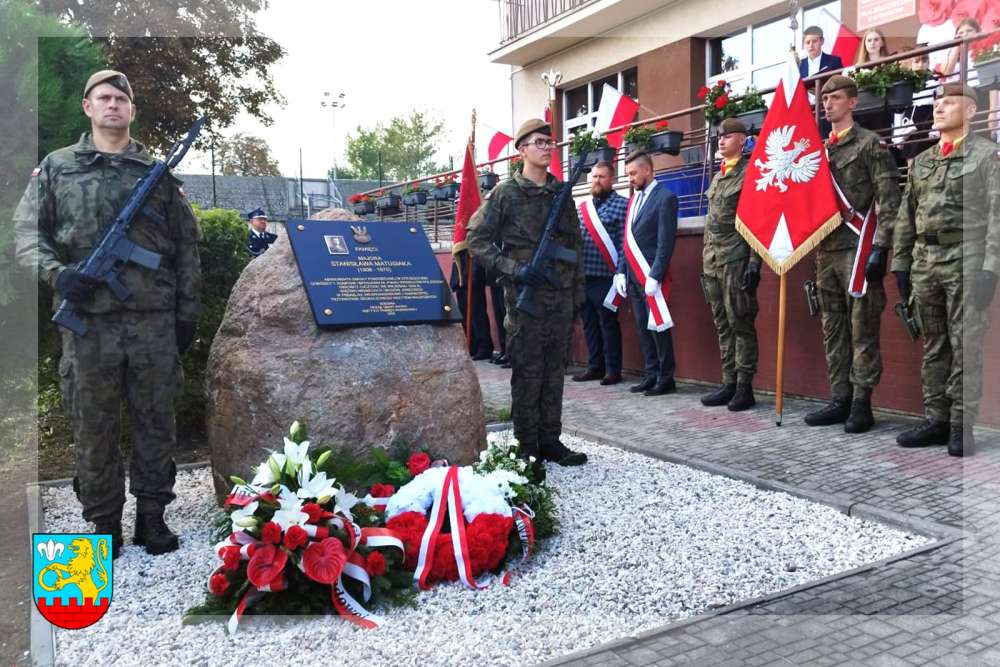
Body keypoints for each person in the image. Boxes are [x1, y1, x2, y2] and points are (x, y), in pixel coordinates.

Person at [13, 70, 202, 557]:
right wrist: (58, 275)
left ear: (131, 110)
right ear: (88, 106)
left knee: (156, 421)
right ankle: (103, 522)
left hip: (152, 322)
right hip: (89, 324)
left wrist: (187, 315)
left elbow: (186, 248)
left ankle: (153, 517)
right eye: (104, 97)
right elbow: (27, 234)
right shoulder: (56, 167)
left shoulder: (156, 174)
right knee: (93, 425)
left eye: (121, 98)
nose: (113, 104)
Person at [466, 118, 588, 474]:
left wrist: (577, 295)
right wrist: (515, 269)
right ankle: (526, 447)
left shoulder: (560, 193)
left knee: (554, 371)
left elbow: (575, 246)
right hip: (526, 300)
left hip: (560, 297)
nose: (547, 148)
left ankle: (550, 440)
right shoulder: (506, 193)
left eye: (550, 143)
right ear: (521, 150)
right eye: (539, 143)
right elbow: (476, 240)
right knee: (527, 372)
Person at [891, 83, 999, 457]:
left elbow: (996, 215)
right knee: (934, 342)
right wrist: (901, 264)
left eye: (949, 103)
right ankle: (936, 419)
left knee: (965, 343)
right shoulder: (922, 161)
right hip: (925, 260)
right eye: (937, 103)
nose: (939, 109)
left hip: (966, 255)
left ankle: (960, 425)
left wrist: (991, 268)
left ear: (970, 111)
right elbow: (906, 216)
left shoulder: (986, 155)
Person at [802, 75, 902, 434]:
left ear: (853, 103)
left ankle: (861, 403)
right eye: (824, 99)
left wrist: (881, 248)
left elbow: (889, 200)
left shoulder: (870, 144)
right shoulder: (819, 151)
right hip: (827, 251)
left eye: (836, 98)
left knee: (862, 329)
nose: (828, 104)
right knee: (833, 328)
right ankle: (839, 398)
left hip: (859, 250)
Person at [700, 118, 760, 411]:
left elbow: (756, 221)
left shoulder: (750, 174)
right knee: (722, 325)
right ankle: (729, 382)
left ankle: (745, 387)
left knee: (740, 324)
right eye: (719, 137)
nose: (721, 141)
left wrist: (754, 263)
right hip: (713, 262)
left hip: (736, 260)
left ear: (742, 140)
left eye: (727, 136)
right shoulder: (718, 176)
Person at [612, 152, 678, 397]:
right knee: (642, 327)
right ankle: (651, 374)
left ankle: (666, 377)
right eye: (628, 174)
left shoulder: (665, 198)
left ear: (647, 170)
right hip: (632, 275)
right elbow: (626, 240)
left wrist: (656, 275)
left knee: (659, 327)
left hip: (650, 277)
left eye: (632, 173)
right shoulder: (633, 200)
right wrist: (620, 271)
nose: (629, 178)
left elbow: (665, 242)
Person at [572, 160, 628, 386]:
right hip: (584, 276)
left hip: (608, 277)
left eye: (602, 177)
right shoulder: (582, 208)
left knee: (608, 323)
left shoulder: (623, 205)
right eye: (594, 176)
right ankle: (595, 367)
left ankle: (613, 370)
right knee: (589, 324)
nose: (597, 181)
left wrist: (621, 272)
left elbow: (624, 243)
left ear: (612, 179)